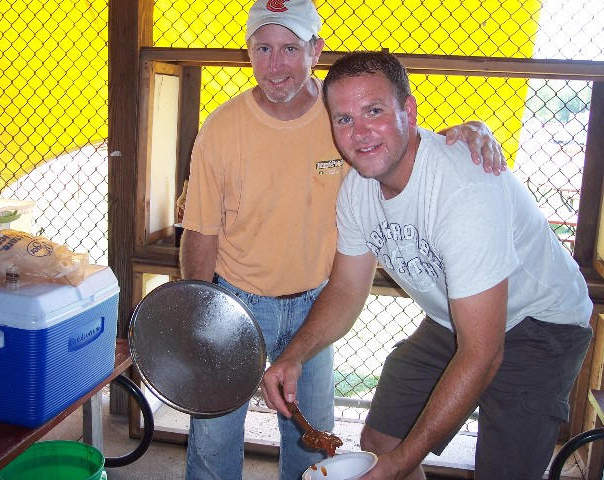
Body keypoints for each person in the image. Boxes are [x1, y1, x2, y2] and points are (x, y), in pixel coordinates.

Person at [180, 1, 505, 478]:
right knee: (213, 434)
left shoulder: (341, 115)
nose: (276, 64)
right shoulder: (221, 128)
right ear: (247, 52)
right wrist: (198, 312)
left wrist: (473, 130)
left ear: (316, 50)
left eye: (290, 48)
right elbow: (201, 231)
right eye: (263, 48)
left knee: (314, 442)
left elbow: (401, 140)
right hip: (237, 299)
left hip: (318, 301)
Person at [261, 50, 593, 480]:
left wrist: (400, 465)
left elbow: (482, 353)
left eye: (374, 111)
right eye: (344, 119)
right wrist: (293, 356)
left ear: (409, 111)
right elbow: (345, 290)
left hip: (541, 322)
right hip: (456, 317)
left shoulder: (463, 190)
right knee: (382, 442)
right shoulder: (358, 190)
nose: (360, 132)